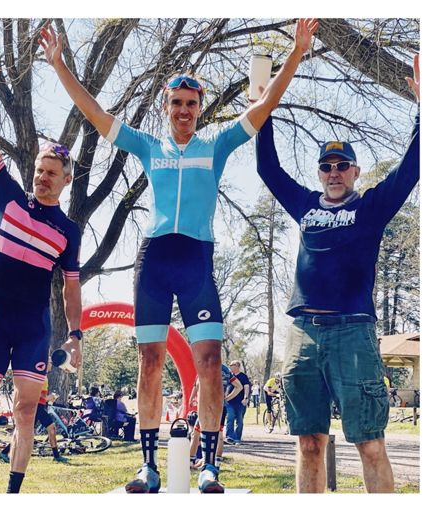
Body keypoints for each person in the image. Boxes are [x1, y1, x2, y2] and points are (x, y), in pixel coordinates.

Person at [39, 18, 318, 493]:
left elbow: (265, 103)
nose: (184, 111)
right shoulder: (148, 146)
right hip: (154, 258)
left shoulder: (217, 143)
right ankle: (147, 467)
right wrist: (60, 65)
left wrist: (295, 52)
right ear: (166, 107)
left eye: (191, 103)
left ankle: (209, 465)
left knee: (209, 361)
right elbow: (95, 112)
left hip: (196, 259)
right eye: (176, 103)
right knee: (150, 360)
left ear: (200, 108)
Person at [255, 39, 420, 493]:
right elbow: (269, 170)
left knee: (369, 442)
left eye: (342, 165)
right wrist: (264, 108)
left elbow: (411, 168)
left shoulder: (371, 207)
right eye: (326, 166)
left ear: (355, 171)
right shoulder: (305, 205)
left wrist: (425, 111)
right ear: (319, 172)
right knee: (309, 442)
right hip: (303, 333)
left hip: (353, 331)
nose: (334, 172)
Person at [0, 51, 83, 494]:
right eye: (39, 171)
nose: (42, 178)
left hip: (33, 326)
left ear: (66, 180)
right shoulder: (10, 198)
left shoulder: (68, 231)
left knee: (26, 413)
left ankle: (12, 495)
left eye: (51, 173)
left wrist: (76, 334)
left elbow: (71, 287)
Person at [0, 363, 68, 464]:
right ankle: (4, 452)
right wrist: (48, 398)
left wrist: (47, 398)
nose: (51, 364)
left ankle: (56, 456)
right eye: (49, 362)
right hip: (36, 407)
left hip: (39, 407)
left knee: (50, 428)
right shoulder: (40, 376)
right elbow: (36, 392)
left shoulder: (44, 376)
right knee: (25, 432)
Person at [189, 365, 243, 479]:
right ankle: (216, 463)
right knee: (219, 434)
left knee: (196, 432)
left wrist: (193, 397)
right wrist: (227, 398)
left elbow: (198, 385)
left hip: (206, 405)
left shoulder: (204, 365)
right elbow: (239, 386)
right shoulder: (226, 370)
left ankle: (190, 461)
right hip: (220, 405)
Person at [224, 360, 251, 444]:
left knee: (239, 420)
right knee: (230, 417)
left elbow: (246, 387)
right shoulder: (229, 376)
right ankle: (229, 437)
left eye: (232, 365)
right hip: (229, 401)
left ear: (237, 366)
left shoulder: (243, 376)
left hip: (240, 402)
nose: (230, 366)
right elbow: (226, 387)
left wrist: (245, 398)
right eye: (230, 365)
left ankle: (237, 438)